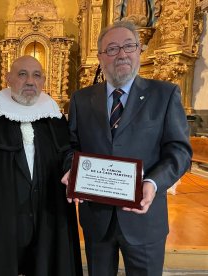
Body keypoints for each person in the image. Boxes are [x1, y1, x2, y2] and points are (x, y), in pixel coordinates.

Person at [62, 21, 192, 275]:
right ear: (100, 57)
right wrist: (71, 170)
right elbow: (72, 146)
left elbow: (180, 151)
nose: (121, 54)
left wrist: (153, 183)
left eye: (128, 46)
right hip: (97, 219)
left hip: (144, 218)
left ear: (139, 51)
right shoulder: (81, 99)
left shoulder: (164, 94)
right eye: (111, 49)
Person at [0, 55, 83, 276]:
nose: (30, 81)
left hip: (47, 217)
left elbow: (69, 153)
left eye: (36, 75)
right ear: (8, 79)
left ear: (44, 81)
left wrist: (72, 166)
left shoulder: (55, 120)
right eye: (22, 74)